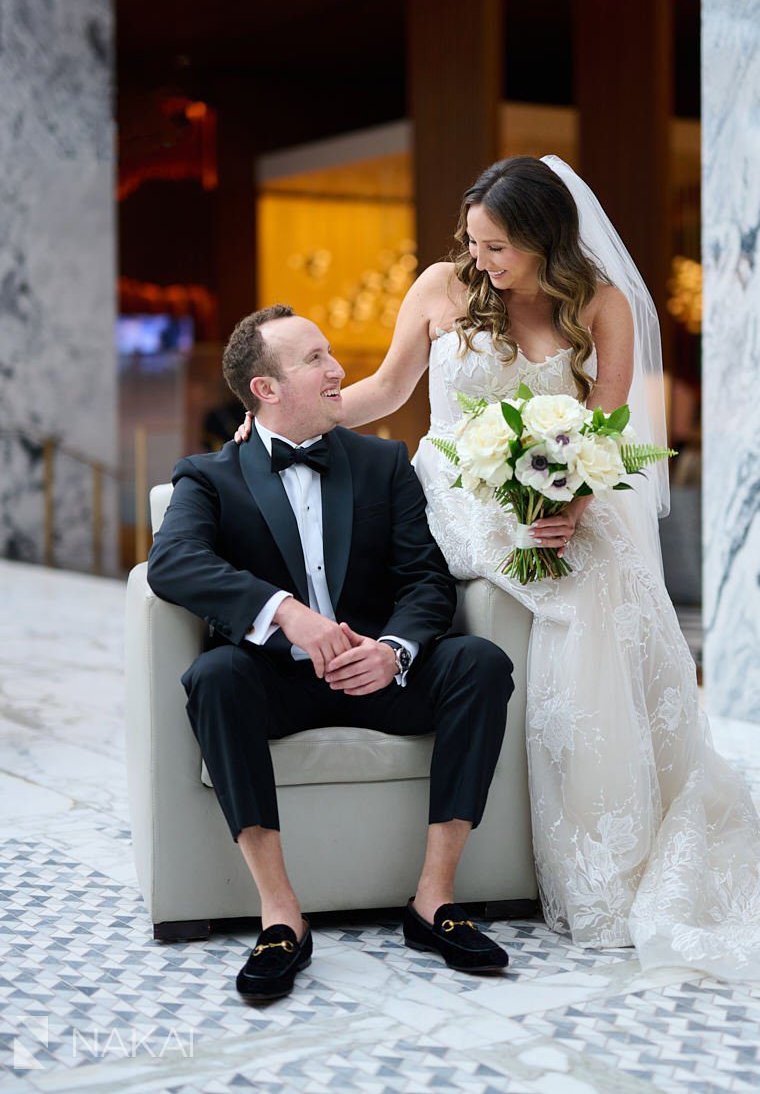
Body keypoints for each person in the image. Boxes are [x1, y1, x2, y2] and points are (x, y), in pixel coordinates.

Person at [237, 155, 760, 988]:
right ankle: (594, 853)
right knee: (569, 597)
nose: (481, 259)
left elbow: (607, 426)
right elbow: (383, 389)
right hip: (456, 484)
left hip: (559, 489)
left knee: (612, 590)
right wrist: (280, 418)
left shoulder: (601, 303)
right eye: (474, 242)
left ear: (544, 240)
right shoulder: (442, 287)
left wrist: (574, 500)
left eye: (498, 246)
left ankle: (629, 841)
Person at [148, 305, 514, 1003]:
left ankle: (433, 902)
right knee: (215, 675)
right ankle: (280, 914)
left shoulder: (381, 462)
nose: (337, 369)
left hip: (379, 676)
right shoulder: (208, 477)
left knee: (481, 664)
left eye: (329, 354)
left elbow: (426, 581)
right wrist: (286, 615)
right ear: (265, 389)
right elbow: (173, 564)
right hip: (276, 684)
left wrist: (394, 651)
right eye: (314, 359)